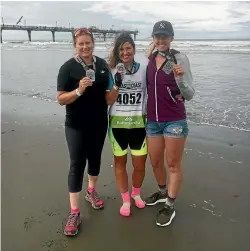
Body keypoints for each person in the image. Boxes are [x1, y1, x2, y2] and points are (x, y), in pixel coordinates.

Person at [57, 28, 110, 236]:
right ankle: (74, 212)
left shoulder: (103, 65)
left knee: (95, 159)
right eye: (81, 44)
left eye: (88, 43)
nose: (85, 47)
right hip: (76, 124)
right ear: (75, 45)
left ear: (93, 43)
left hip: (99, 123)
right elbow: (60, 99)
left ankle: (91, 192)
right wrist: (79, 90)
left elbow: (109, 95)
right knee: (77, 163)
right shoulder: (67, 68)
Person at [145, 21, 195, 227]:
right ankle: (162, 192)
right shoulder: (150, 58)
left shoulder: (180, 58)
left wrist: (180, 78)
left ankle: (170, 205)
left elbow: (190, 94)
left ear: (172, 37)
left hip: (174, 119)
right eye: (157, 36)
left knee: (173, 164)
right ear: (153, 38)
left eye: (165, 36)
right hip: (153, 121)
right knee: (155, 161)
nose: (161, 39)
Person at [106, 33, 147, 217]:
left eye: (128, 48)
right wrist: (117, 85)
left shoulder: (144, 69)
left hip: (139, 125)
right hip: (117, 126)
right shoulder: (111, 71)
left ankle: (136, 194)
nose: (125, 52)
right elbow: (108, 100)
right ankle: (125, 199)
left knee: (139, 166)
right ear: (117, 51)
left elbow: (157, 87)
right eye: (121, 49)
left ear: (134, 49)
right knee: (120, 164)